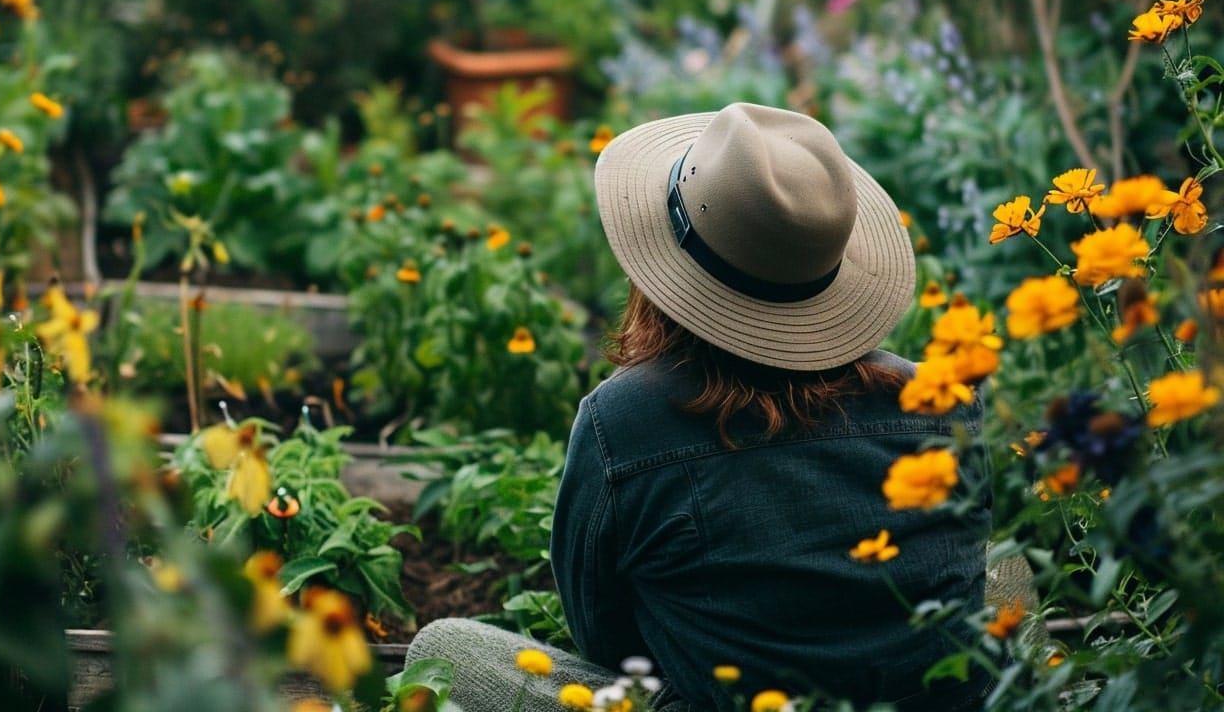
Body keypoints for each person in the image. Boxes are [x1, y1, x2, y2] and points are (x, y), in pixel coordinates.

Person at [405, 102, 994, 711]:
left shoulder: (623, 424)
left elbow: (603, 634)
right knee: (1009, 577)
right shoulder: (946, 402)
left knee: (444, 649)